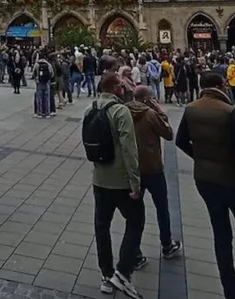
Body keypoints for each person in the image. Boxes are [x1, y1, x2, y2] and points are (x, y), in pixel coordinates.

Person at [175, 72, 235, 299]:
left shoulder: (191, 108)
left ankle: (231, 293)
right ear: (220, 86)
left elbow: (180, 141)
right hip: (233, 181)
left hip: (205, 180)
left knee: (221, 235)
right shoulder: (229, 112)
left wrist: (200, 157)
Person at [86, 72, 144, 299]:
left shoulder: (90, 108)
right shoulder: (121, 111)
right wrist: (135, 182)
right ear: (114, 88)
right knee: (136, 220)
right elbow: (130, 150)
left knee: (102, 226)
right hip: (120, 180)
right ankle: (123, 271)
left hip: (99, 178)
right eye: (121, 85)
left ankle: (106, 275)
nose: (124, 88)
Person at [127, 86, 182, 260]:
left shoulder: (124, 111)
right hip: (153, 168)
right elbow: (168, 133)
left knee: (135, 213)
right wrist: (159, 110)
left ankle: (134, 252)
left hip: (134, 169)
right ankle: (167, 244)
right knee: (162, 207)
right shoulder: (150, 114)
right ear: (147, 99)